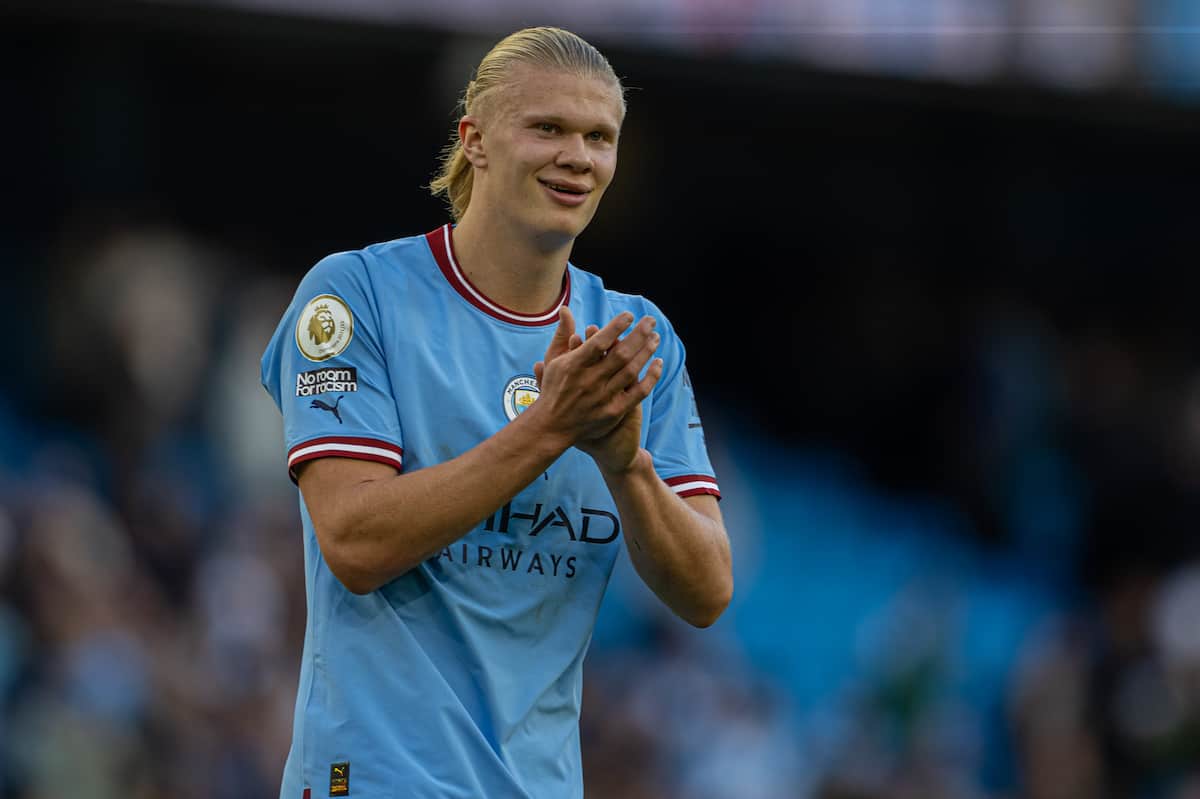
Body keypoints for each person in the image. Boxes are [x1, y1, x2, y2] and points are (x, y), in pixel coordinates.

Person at [260, 25, 732, 799]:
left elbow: (706, 589)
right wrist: (549, 428)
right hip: (376, 780)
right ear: (474, 141)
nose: (577, 156)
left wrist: (625, 465)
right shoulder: (356, 295)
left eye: (599, 136)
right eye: (547, 127)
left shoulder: (635, 342)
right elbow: (353, 538)